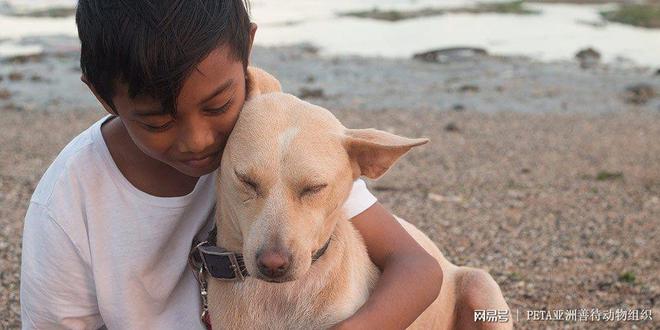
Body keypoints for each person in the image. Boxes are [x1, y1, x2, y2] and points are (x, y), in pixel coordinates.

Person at [19, 1, 445, 329]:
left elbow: (416, 265)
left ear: (248, 51)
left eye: (218, 105)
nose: (198, 140)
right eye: (157, 122)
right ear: (103, 96)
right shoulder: (66, 205)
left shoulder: (274, 137)